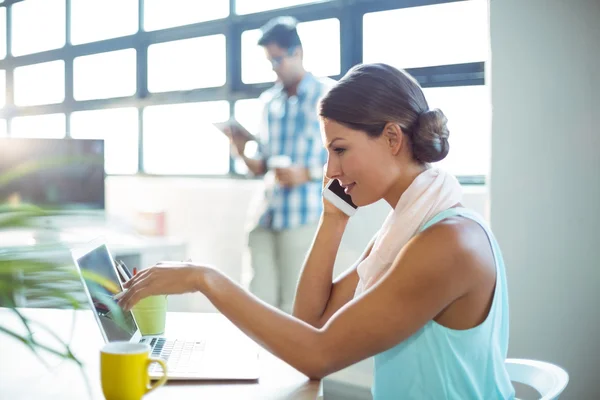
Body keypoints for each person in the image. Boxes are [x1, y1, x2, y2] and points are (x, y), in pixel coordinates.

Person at [119, 63, 515, 399]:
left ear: (393, 138)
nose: (331, 172)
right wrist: (334, 218)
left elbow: (318, 353)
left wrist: (202, 278)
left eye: (340, 149)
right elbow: (310, 321)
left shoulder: (446, 243)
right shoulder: (405, 231)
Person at [227, 16, 333, 314]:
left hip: (302, 217)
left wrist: (307, 173)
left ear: (297, 52)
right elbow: (260, 167)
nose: (274, 67)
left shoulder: (328, 95)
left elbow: (348, 160)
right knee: (255, 303)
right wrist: (240, 152)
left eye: (277, 59)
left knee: (295, 306)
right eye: (269, 61)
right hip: (265, 214)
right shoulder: (268, 102)